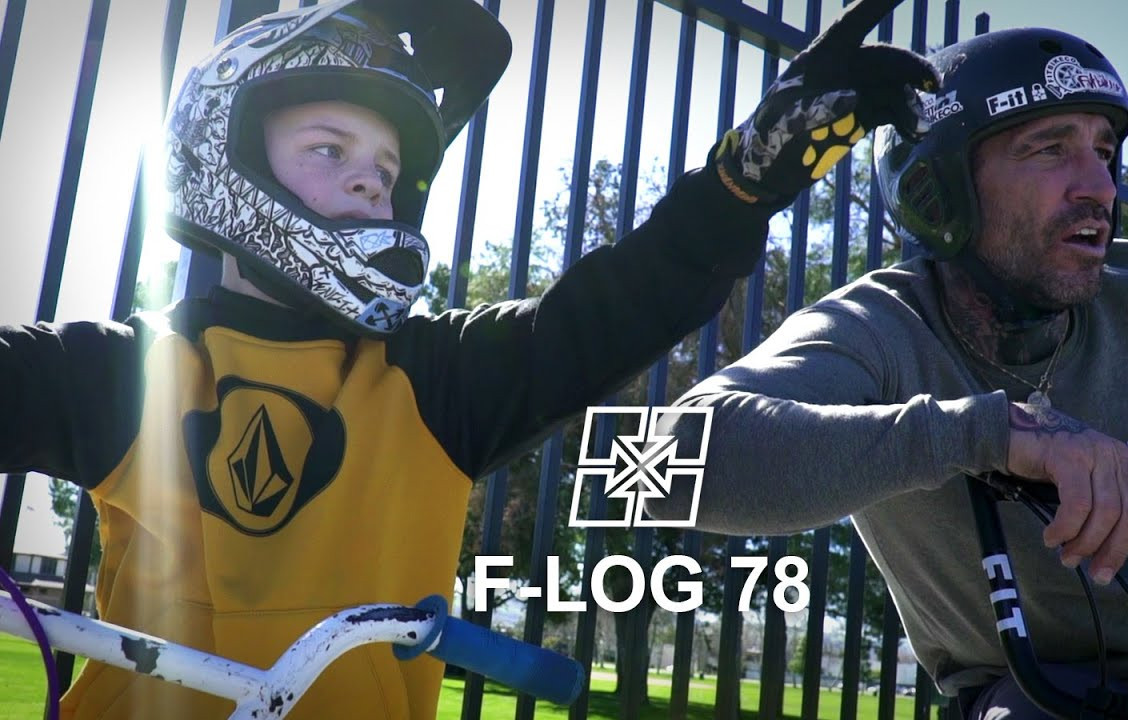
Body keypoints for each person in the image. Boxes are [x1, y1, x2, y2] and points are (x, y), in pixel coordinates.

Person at [0, 0, 936, 716]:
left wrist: (742, 183)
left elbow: (611, 309)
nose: (374, 175)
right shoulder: (126, 371)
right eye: (331, 148)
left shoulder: (435, 378)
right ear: (225, 154)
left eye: (389, 165)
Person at [646, 26, 1128, 719]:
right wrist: (991, 435)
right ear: (938, 190)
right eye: (1049, 150)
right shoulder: (879, 329)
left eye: (1104, 151)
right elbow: (664, 464)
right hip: (1046, 696)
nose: (1098, 186)